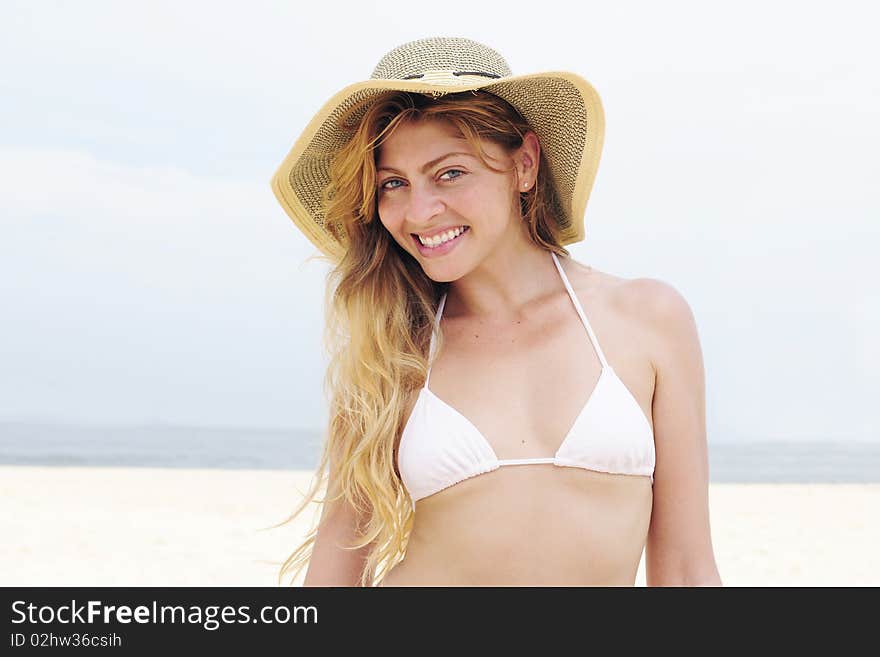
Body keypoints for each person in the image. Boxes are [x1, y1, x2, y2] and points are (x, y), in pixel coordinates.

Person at [269, 36, 722, 587]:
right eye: (394, 183)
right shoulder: (392, 350)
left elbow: (685, 569)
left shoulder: (648, 319)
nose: (419, 211)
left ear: (524, 164)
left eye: (450, 173)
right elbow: (334, 576)